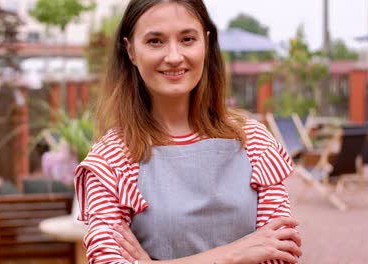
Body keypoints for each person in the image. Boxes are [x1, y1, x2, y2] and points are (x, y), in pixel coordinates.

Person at [74, 0, 302, 263]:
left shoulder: (254, 141)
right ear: (130, 50)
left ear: (205, 43)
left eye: (187, 39)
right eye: (155, 41)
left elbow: (281, 254)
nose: (173, 56)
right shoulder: (110, 159)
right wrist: (233, 254)